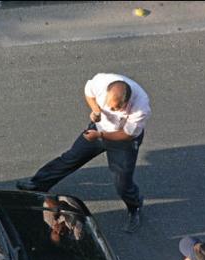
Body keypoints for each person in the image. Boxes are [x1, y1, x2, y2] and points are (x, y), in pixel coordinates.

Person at [17, 73, 151, 233]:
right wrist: (95, 110)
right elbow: (89, 92)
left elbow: (128, 134)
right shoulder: (101, 82)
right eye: (108, 105)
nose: (109, 109)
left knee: (122, 180)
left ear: (127, 102)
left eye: (115, 108)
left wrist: (100, 135)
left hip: (122, 141)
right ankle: (37, 184)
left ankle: (134, 207)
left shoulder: (141, 107)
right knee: (71, 157)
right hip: (99, 129)